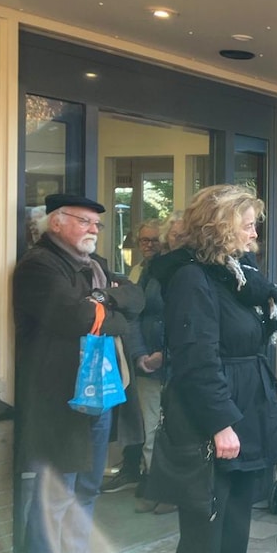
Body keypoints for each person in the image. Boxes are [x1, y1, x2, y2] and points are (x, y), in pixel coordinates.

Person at [154, 184, 277, 553]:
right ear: (221, 227)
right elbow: (197, 359)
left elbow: (259, 327)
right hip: (214, 422)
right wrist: (220, 424)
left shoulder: (238, 276)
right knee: (204, 541)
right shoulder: (192, 280)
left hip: (247, 409)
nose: (254, 235)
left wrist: (267, 308)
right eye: (248, 226)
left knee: (234, 532)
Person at [14, 194, 144, 553]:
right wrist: (110, 311)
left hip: (101, 392)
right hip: (58, 396)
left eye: (97, 224)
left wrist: (103, 303)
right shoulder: (38, 266)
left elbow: (138, 299)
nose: (94, 230)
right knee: (56, 490)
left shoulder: (96, 266)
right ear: (57, 223)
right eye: (85, 222)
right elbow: (73, 317)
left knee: (88, 486)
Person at [120, 218, 179, 515]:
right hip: (146, 364)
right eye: (143, 240)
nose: (149, 245)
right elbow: (132, 315)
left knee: (175, 429)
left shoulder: (177, 272)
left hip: (175, 364)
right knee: (150, 428)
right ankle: (153, 485)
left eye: (154, 240)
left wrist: (164, 354)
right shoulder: (140, 273)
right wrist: (141, 354)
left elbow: (180, 317)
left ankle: (172, 491)